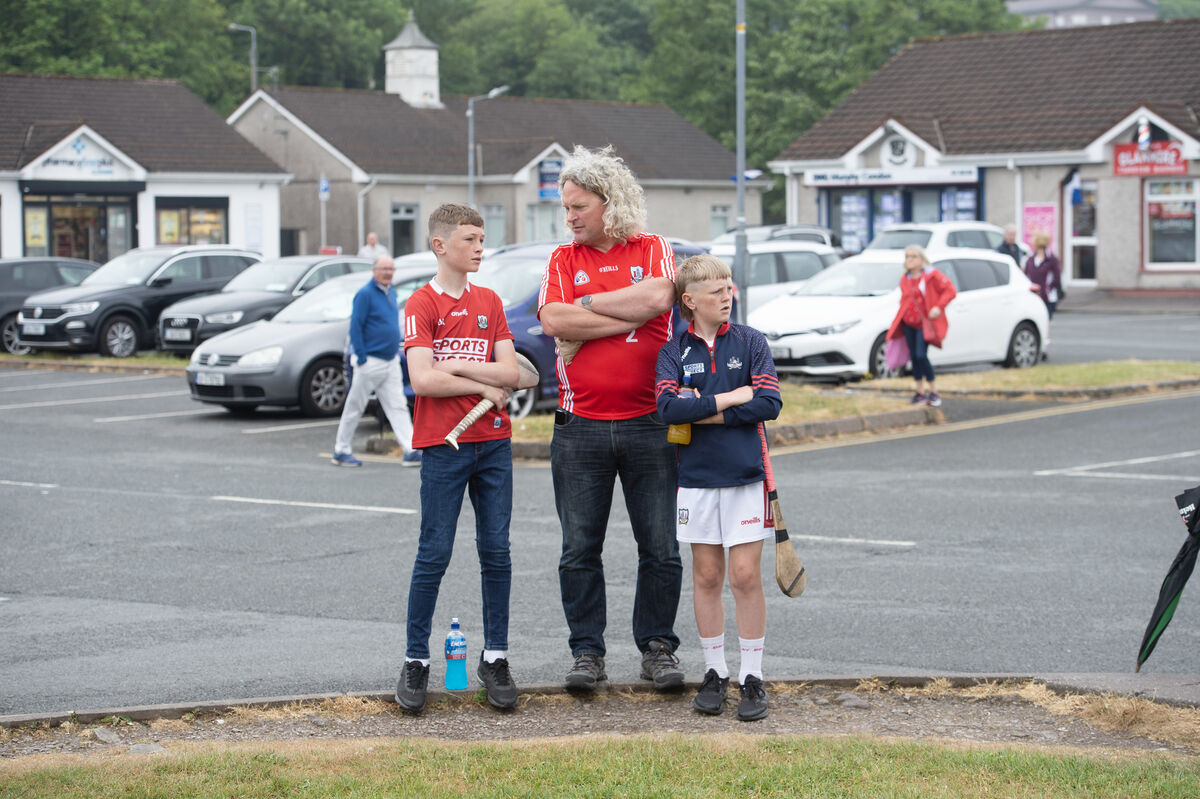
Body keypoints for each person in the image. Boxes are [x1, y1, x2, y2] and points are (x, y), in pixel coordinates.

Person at [537, 145, 684, 693]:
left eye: (579, 206)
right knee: (579, 549)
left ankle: (658, 648)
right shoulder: (562, 258)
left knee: (661, 547)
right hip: (580, 426)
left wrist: (589, 306)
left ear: (610, 202)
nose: (570, 217)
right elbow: (554, 320)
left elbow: (659, 297)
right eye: (566, 208)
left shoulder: (653, 247)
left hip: (653, 422)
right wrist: (624, 313)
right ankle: (587, 653)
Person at [394, 203, 520, 714]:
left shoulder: (490, 300)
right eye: (470, 239)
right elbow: (422, 379)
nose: (479, 248)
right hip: (442, 445)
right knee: (434, 553)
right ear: (440, 245)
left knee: (497, 552)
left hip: (493, 443)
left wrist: (457, 366)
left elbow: (511, 373)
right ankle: (415, 660)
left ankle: (495, 657)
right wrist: (481, 382)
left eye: (482, 239)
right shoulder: (420, 303)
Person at [655, 254, 782, 721]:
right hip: (696, 482)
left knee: (745, 577)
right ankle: (715, 672)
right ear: (690, 300)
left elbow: (768, 402)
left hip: (746, 478)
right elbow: (668, 410)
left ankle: (752, 676)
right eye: (716, 291)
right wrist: (731, 398)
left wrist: (703, 409)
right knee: (707, 577)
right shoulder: (673, 351)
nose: (727, 297)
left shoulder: (751, 342)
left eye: (729, 288)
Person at [332, 255, 420, 467]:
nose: (388, 273)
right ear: (374, 271)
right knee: (355, 406)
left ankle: (411, 450)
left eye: (391, 269)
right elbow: (356, 326)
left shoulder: (391, 292)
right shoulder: (365, 294)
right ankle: (341, 450)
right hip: (370, 361)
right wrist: (361, 357)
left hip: (390, 361)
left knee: (397, 406)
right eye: (384, 269)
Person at [886, 244, 956, 408]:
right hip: (908, 322)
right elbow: (905, 301)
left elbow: (950, 291)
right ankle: (919, 392)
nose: (909, 260)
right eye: (907, 257)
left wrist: (938, 307)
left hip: (924, 324)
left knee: (920, 355)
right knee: (913, 357)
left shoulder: (932, 275)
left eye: (913, 256)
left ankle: (933, 391)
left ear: (922, 259)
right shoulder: (905, 279)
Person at [1024, 231, 1064, 319]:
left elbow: (1057, 278)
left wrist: (1048, 289)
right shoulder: (1030, 259)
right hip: (1033, 297)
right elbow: (1026, 276)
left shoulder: (1051, 259)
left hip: (1048, 297)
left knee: (1045, 320)